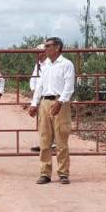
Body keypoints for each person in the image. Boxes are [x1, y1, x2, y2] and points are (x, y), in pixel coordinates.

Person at [28, 37, 75, 184]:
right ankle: (45, 173)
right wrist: (34, 103)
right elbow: (39, 86)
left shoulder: (66, 64)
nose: (45, 49)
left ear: (57, 47)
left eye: (48, 46)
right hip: (45, 102)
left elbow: (69, 86)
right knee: (45, 139)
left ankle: (63, 173)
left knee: (61, 139)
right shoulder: (46, 65)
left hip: (60, 102)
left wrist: (60, 102)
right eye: (45, 46)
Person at [27, 44, 49, 152]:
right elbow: (33, 79)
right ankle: (43, 143)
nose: (37, 54)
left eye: (39, 52)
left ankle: (51, 144)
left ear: (45, 52)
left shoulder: (50, 64)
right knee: (41, 121)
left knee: (49, 120)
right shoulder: (38, 65)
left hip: (48, 95)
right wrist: (33, 90)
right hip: (39, 95)